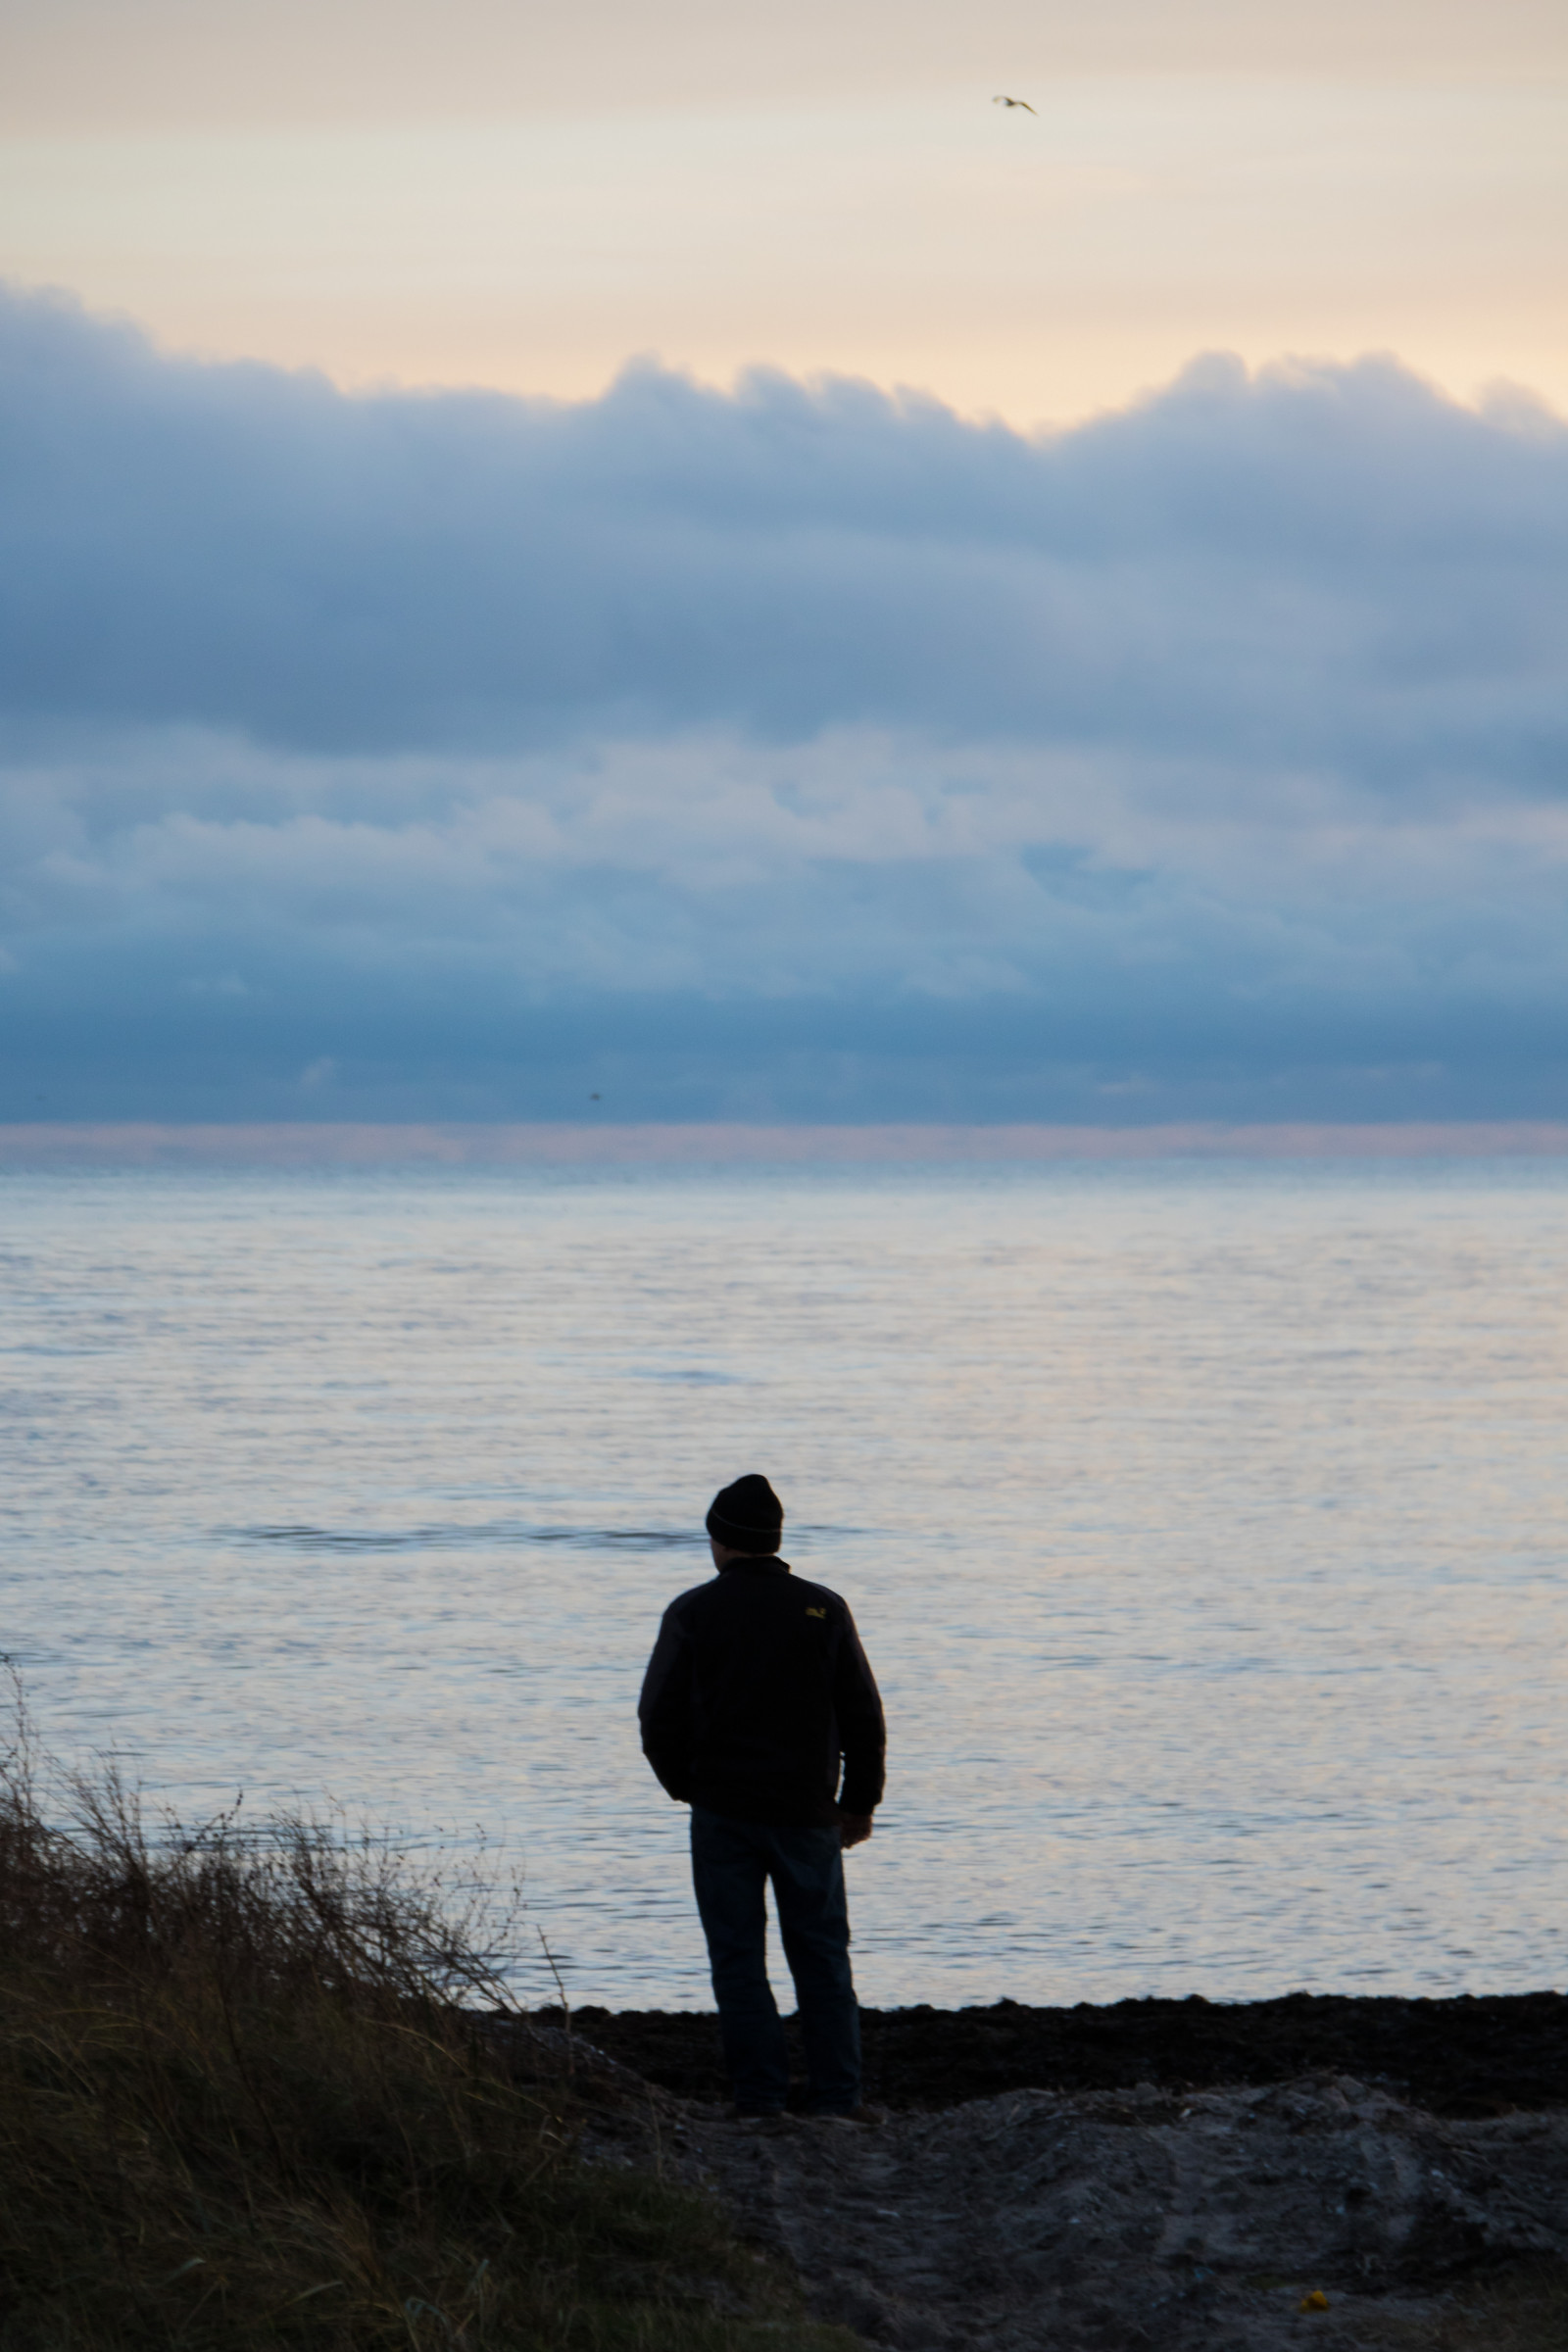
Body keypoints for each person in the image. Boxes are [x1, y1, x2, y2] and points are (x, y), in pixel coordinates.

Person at [638, 1473, 886, 2122]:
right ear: (775, 1540)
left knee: (738, 1959)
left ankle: (760, 2100)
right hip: (808, 1813)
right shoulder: (824, 1608)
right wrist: (858, 1805)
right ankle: (837, 2098)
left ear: (718, 1540)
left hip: (723, 1815)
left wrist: (687, 1789)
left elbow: (656, 1718)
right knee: (823, 1957)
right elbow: (863, 1715)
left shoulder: (692, 1612)